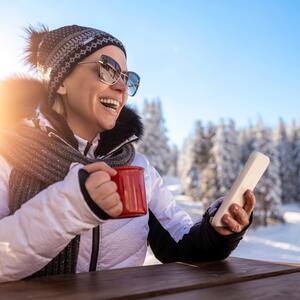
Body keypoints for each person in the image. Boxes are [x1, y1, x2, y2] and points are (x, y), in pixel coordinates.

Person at [0, 24, 255, 283]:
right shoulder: (8, 156)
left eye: (126, 77)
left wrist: (217, 231)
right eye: (107, 69)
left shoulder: (137, 167)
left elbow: (181, 247)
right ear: (62, 80)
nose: (122, 87)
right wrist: (72, 206)